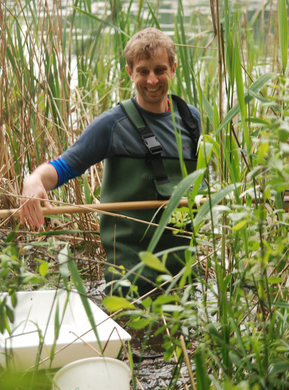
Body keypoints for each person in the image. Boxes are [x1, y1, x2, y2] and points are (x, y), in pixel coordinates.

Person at [20, 28, 201, 295]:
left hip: (182, 272)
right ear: (130, 72)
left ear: (173, 69)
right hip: (129, 275)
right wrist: (33, 179)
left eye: (159, 70)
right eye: (143, 71)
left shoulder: (190, 118)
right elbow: (63, 166)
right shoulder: (112, 124)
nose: (152, 80)